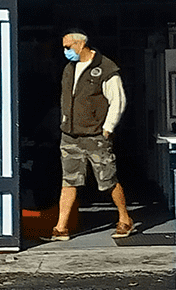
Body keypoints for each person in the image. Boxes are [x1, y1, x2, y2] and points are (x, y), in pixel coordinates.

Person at [52, 29, 137, 240]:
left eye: (68, 47)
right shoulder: (69, 69)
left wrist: (108, 128)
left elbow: (118, 100)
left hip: (95, 135)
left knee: (107, 179)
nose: (65, 51)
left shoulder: (105, 68)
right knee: (69, 180)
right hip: (70, 134)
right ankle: (61, 227)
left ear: (81, 45)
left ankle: (125, 219)